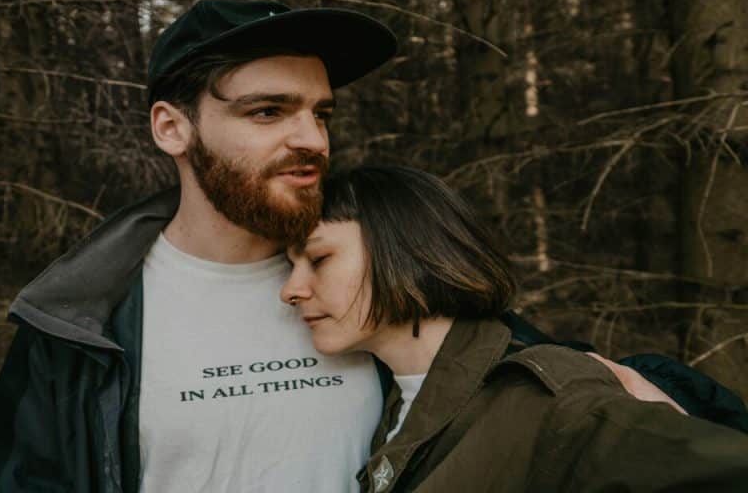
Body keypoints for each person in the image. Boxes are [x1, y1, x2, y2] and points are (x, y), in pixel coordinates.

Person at [0, 0, 692, 492]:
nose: (311, 139)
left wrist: (671, 402)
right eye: (268, 111)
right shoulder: (78, 330)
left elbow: (539, 388)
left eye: (320, 112)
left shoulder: (365, 282)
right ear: (173, 129)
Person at [282, 165, 748, 493]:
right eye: (290, 267)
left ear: (403, 251)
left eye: (318, 259)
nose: (291, 289)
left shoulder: (551, 397)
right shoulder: (389, 408)